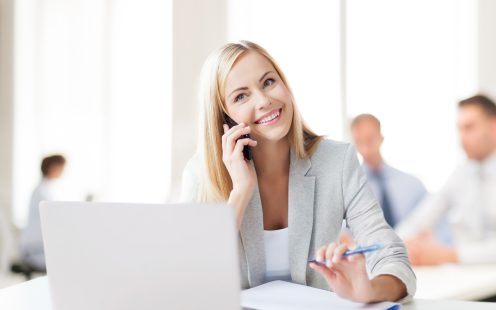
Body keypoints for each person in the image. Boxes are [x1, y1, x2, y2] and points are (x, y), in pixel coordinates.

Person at [181, 41, 415, 303]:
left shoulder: (337, 161)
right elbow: (189, 278)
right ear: (224, 117)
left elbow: (392, 257)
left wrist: (369, 290)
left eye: (268, 82)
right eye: (241, 96)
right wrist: (240, 191)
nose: (264, 100)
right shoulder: (200, 175)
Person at [397, 95, 496, 265]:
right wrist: (393, 246)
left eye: (469, 127)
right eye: (460, 129)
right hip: (470, 280)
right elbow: (420, 219)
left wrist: (449, 255)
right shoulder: (461, 174)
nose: (462, 137)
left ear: (493, 126)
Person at [350, 114, 427, 228]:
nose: (365, 149)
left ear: (381, 138)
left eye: (370, 140)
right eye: (359, 142)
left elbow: (433, 223)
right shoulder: (349, 190)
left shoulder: (413, 185)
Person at [20, 154, 66, 271]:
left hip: (38, 246)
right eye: (61, 168)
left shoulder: (45, 189)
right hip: (34, 249)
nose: (62, 171)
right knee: (65, 263)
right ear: (52, 167)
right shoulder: (41, 192)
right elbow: (54, 218)